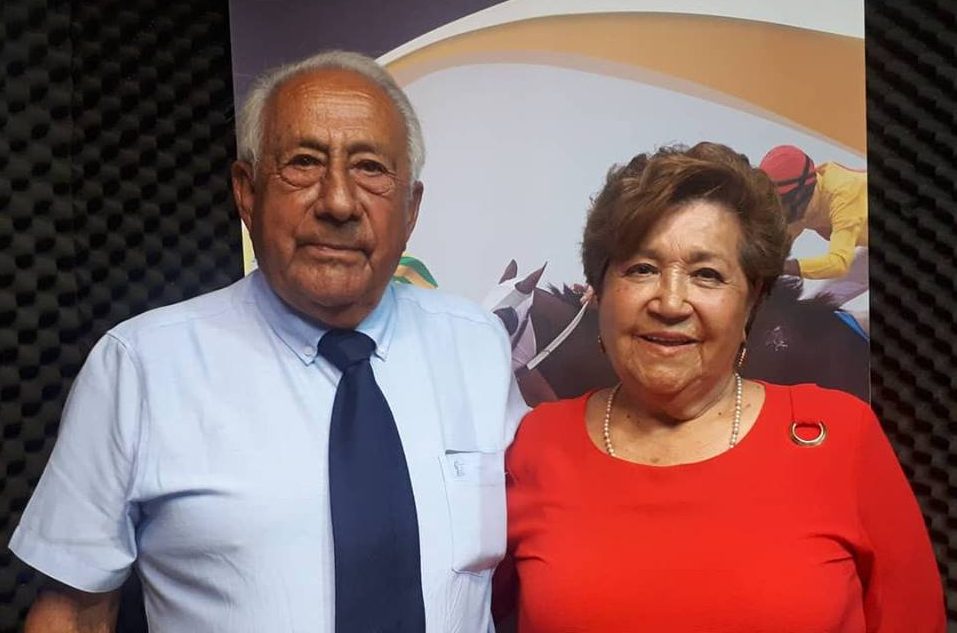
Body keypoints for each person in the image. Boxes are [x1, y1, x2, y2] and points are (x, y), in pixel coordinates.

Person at [11, 50, 525, 632]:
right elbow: (74, 616)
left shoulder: (477, 346)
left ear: (410, 208)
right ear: (247, 192)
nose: (338, 202)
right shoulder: (139, 368)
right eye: (304, 163)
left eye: (370, 168)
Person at [493, 142, 944, 632]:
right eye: (642, 269)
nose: (670, 302)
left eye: (707, 274)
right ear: (598, 292)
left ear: (751, 302)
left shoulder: (841, 436)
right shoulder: (535, 443)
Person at [759, 144, 869, 304]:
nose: (774, 211)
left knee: (826, 301)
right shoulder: (802, 200)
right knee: (822, 301)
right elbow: (774, 251)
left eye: (778, 203)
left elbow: (838, 264)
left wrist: (782, 267)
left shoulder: (843, 198)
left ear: (798, 196)